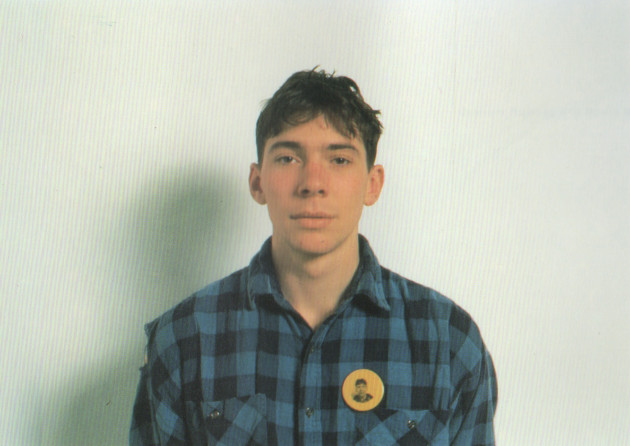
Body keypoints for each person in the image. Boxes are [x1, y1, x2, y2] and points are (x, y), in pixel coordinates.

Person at [130, 68, 497, 445]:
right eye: (288, 158)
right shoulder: (183, 338)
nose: (312, 184)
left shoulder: (449, 342)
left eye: (339, 160)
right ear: (257, 182)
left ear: (372, 184)